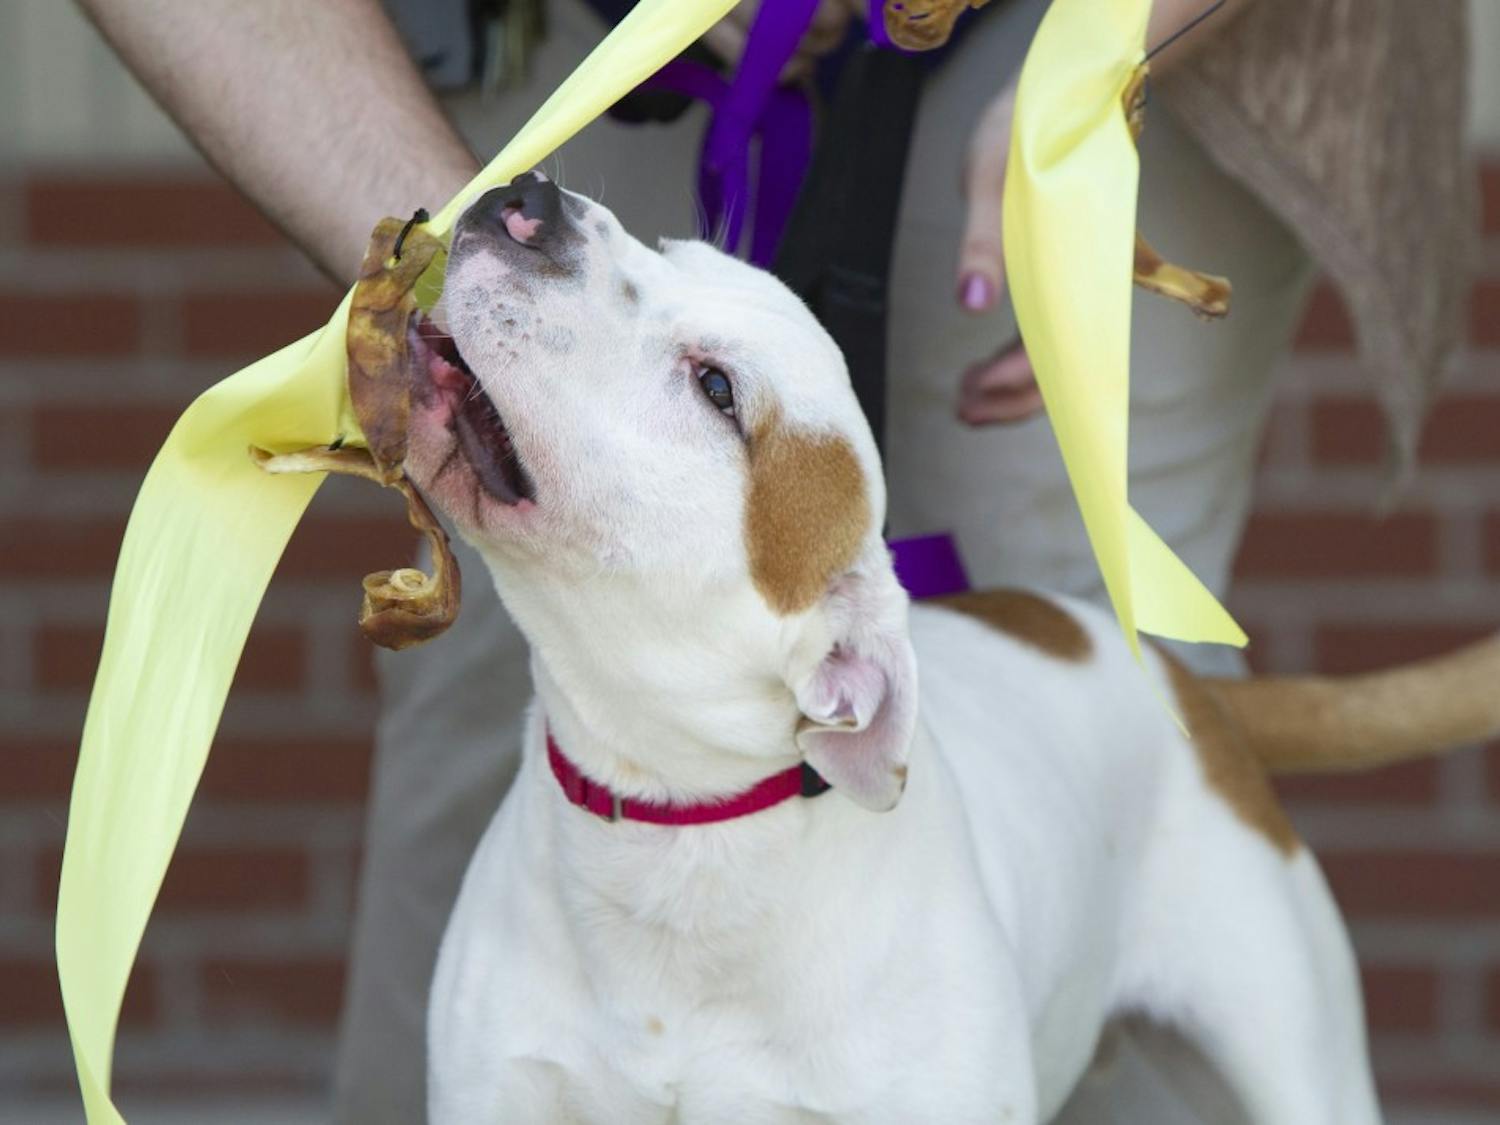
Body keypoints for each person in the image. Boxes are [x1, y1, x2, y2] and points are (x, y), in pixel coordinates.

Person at [77, 0, 1472, 1120]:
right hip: (631, 46)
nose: (546, 225)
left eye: (708, 387)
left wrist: (1102, 58)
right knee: (468, 725)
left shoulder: (914, 1012)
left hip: (1139, 50)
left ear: (848, 687)